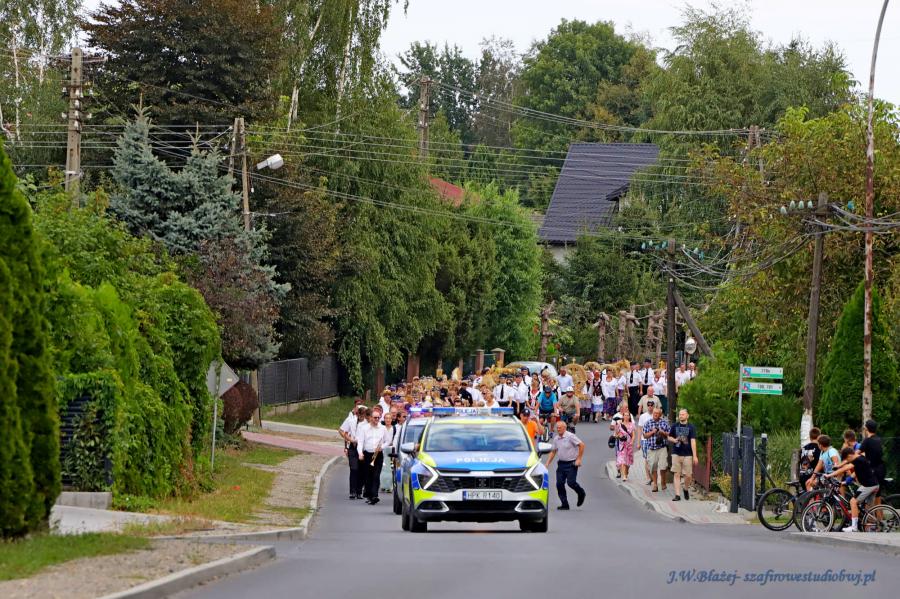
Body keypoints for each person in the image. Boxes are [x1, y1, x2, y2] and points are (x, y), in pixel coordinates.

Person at [826, 446, 880, 532]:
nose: (848, 461)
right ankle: (872, 528)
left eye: (848, 459)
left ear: (849, 455)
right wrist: (845, 482)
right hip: (873, 485)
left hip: (868, 486)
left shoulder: (858, 460)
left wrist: (829, 475)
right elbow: (855, 473)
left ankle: (854, 527)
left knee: (853, 501)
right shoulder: (860, 458)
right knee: (867, 509)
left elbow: (845, 468)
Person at [545, 421, 586, 510]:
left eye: (560, 427)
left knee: (571, 482)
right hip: (561, 464)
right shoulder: (556, 439)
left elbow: (582, 445)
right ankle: (564, 504)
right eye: (557, 427)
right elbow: (553, 451)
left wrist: (579, 459)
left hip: (571, 463)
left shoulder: (570, 436)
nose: (558, 429)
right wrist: (547, 463)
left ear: (565, 428)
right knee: (559, 484)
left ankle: (581, 492)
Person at [357, 409, 388, 505]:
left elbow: (387, 441)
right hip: (367, 454)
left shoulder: (383, 428)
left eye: (378, 418)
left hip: (378, 455)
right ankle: (369, 495)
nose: (377, 419)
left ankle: (375, 495)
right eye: (375, 418)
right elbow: (360, 442)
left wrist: (382, 447)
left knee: (376, 475)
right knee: (368, 476)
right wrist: (360, 453)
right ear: (370, 418)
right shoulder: (364, 428)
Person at [338, 405, 367, 499]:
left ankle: (359, 491)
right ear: (357, 414)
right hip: (353, 447)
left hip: (363, 448)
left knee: (362, 470)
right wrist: (350, 439)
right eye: (360, 415)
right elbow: (342, 431)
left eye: (364, 415)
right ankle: (352, 491)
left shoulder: (367, 422)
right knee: (354, 468)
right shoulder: (351, 421)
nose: (362, 417)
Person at [669, 409, 698, 501]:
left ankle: (685, 488)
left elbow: (693, 441)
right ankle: (677, 495)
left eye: (683, 414)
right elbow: (669, 436)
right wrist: (673, 440)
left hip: (688, 454)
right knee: (676, 474)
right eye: (680, 414)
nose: (681, 416)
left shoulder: (691, 427)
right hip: (676, 453)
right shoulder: (674, 426)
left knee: (688, 475)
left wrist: (695, 456)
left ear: (687, 416)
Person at [642, 407, 670, 493]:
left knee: (663, 466)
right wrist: (652, 432)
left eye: (657, 413)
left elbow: (669, 434)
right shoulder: (648, 423)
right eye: (654, 413)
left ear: (660, 414)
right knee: (653, 466)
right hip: (652, 448)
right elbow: (645, 435)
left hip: (662, 448)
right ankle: (655, 484)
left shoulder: (664, 422)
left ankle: (663, 482)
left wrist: (662, 432)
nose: (655, 415)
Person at [860, 420, 885, 503]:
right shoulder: (878, 439)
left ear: (866, 429)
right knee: (878, 495)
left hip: (873, 470)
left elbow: (855, 454)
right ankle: (879, 512)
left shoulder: (867, 440)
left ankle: (871, 511)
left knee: (870, 495)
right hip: (881, 469)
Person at [636, 400, 656, 482]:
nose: (650, 407)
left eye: (651, 405)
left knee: (653, 459)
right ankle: (648, 477)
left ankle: (653, 476)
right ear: (647, 406)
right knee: (647, 459)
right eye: (648, 405)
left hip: (654, 440)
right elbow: (639, 429)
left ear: (654, 406)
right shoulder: (643, 416)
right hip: (645, 440)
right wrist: (638, 442)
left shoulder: (656, 415)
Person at [614, 411, 636, 481]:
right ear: (623, 416)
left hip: (629, 444)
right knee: (622, 460)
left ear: (629, 417)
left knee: (628, 462)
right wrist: (619, 436)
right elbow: (616, 434)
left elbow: (633, 435)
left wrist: (632, 442)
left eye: (627, 415)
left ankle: (626, 473)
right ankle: (624, 476)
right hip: (622, 445)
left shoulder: (632, 425)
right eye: (625, 415)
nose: (626, 417)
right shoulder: (619, 425)